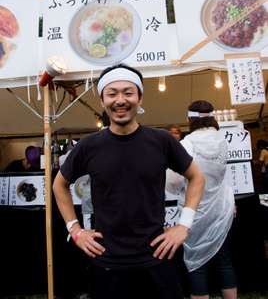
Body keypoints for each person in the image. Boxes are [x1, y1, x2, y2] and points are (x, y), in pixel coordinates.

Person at [53, 63, 205, 299]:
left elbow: (197, 176)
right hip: (107, 260)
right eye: (112, 93)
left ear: (140, 98)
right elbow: (59, 184)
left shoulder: (161, 141)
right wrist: (75, 230)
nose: (120, 100)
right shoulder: (89, 146)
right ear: (102, 100)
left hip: (157, 256)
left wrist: (184, 224)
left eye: (128, 92)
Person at [166, 100, 237, 299]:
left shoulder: (186, 144)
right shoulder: (222, 140)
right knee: (224, 260)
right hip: (222, 207)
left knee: (196, 262)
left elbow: (172, 181)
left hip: (195, 209)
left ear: (189, 119)